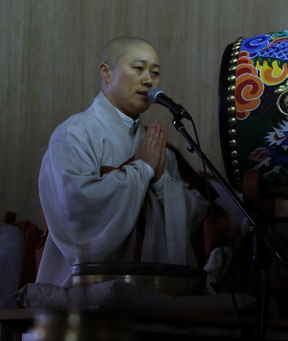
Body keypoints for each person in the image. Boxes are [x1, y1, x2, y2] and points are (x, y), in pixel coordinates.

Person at [36, 36, 214, 287]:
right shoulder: (75, 133)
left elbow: (195, 213)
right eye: (139, 68)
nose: (149, 80)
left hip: (150, 284)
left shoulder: (157, 146)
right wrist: (140, 170)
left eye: (155, 72)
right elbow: (77, 207)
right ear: (106, 72)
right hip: (81, 286)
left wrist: (163, 183)